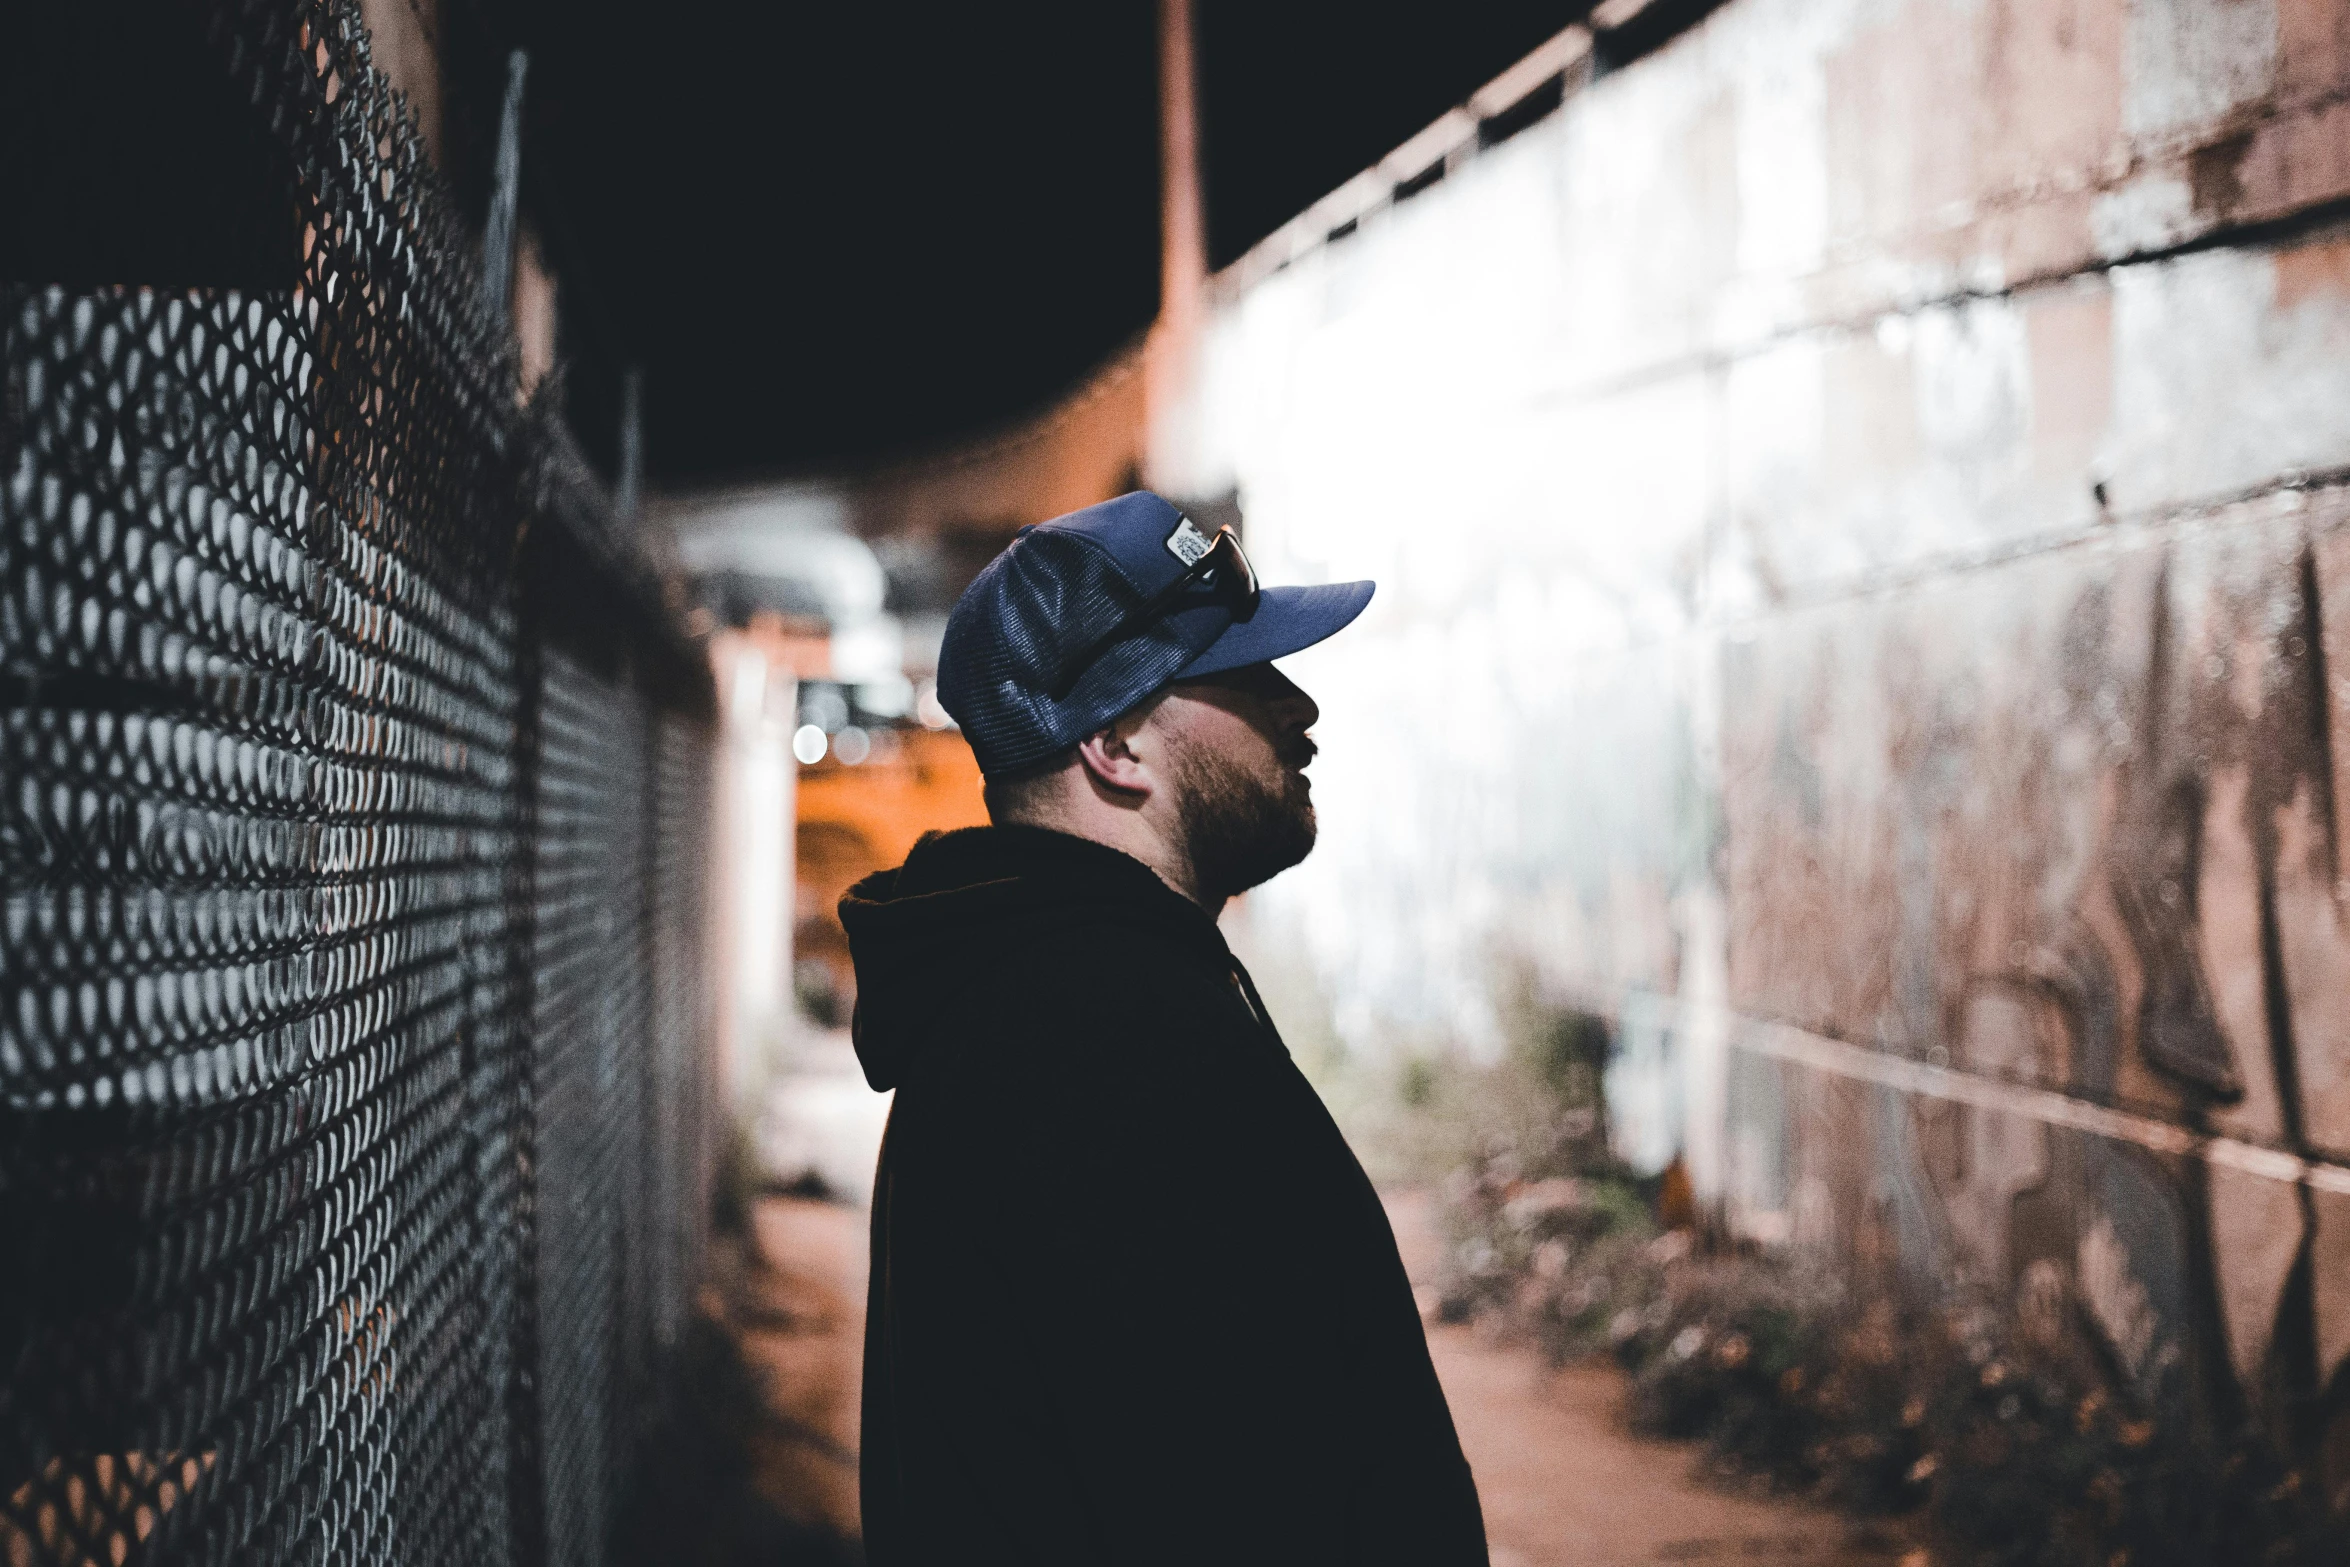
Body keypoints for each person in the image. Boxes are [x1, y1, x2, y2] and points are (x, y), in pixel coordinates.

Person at [841, 491, 1488, 1565]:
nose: (1300, 708)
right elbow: (1230, 1503)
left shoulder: (1045, 992)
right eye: (1243, 675)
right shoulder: (1107, 1048)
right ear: (1116, 741)